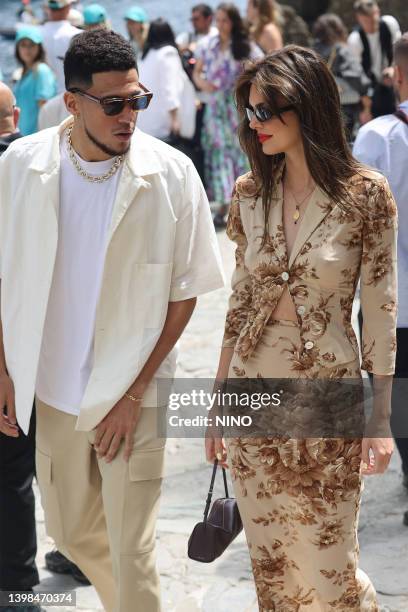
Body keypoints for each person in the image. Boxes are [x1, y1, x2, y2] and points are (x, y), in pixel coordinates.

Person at [0, 28, 224, 612]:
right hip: (52, 390)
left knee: (134, 549)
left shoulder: (173, 174)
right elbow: (5, 276)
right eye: (114, 103)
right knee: (72, 534)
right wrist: (5, 369)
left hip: (136, 393)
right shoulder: (22, 167)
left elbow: (186, 293)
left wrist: (135, 392)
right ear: (72, 103)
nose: (130, 116)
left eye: (137, 100)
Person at [206, 46, 397, 610]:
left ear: (305, 107)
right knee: (274, 567)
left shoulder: (366, 194)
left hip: (327, 399)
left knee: (330, 564)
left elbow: (381, 307)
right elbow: (239, 304)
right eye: (250, 111)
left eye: (266, 110)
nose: (255, 123)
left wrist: (381, 418)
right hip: (252, 391)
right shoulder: (248, 193)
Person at [353, 33, 408, 498]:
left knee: (400, 399)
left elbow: (354, 223)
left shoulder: (377, 136)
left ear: (397, 75)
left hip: (394, 300)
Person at [0, 83, 42, 612]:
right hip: (29, 350)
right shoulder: (38, 170)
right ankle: (18, 588)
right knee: (15, 474)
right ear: (14, 116)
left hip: (13, 354)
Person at [193, 3, 263, 228]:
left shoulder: (245, 47)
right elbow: (196, 72)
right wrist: (203, 83)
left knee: (239, 151)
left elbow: (260, 70)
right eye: (219, 20)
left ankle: (241, 200)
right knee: (218, 154)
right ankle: (225, 205)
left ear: (233, 22)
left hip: (236, 107)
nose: (221, 25)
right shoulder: (208, 45)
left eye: (225, 20)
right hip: (215, 108)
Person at [314, 13, 369, 140]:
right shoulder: (340, 50)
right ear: (339, 28)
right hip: (344, 108)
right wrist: (365, 95)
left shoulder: (312, 51)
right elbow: (356, 76)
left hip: (320, 107)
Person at [348, 0, 401, 121]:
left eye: (373, 17)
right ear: (359, 18)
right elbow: (356, 75)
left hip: (393, 78)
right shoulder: (355, 40)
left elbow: (399, 50)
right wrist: (365, 108)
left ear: (378, 12)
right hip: (370, 89)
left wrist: (393, 68)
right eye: (366, 20)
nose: (371, 24)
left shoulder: (389, 24)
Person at [137, 19, 187, 141]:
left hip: (143, 122)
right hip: (161, 124)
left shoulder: (144, 55)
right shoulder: (168, 53)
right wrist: (175, 119)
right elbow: (169, 88)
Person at [13, 27, 57, 135]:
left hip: (35, 140)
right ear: (17, 48)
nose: (27, 49)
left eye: (31, 45)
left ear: (39, 47)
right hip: (22, 138)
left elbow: (45, 109)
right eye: (23, 45)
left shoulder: (42, 71)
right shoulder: (24, 73)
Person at [42, 0, 82, 93]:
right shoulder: (78, 35)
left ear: (47, 8)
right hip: (72, 95)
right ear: (68, 8)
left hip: (44, 96)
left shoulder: (36, 34)